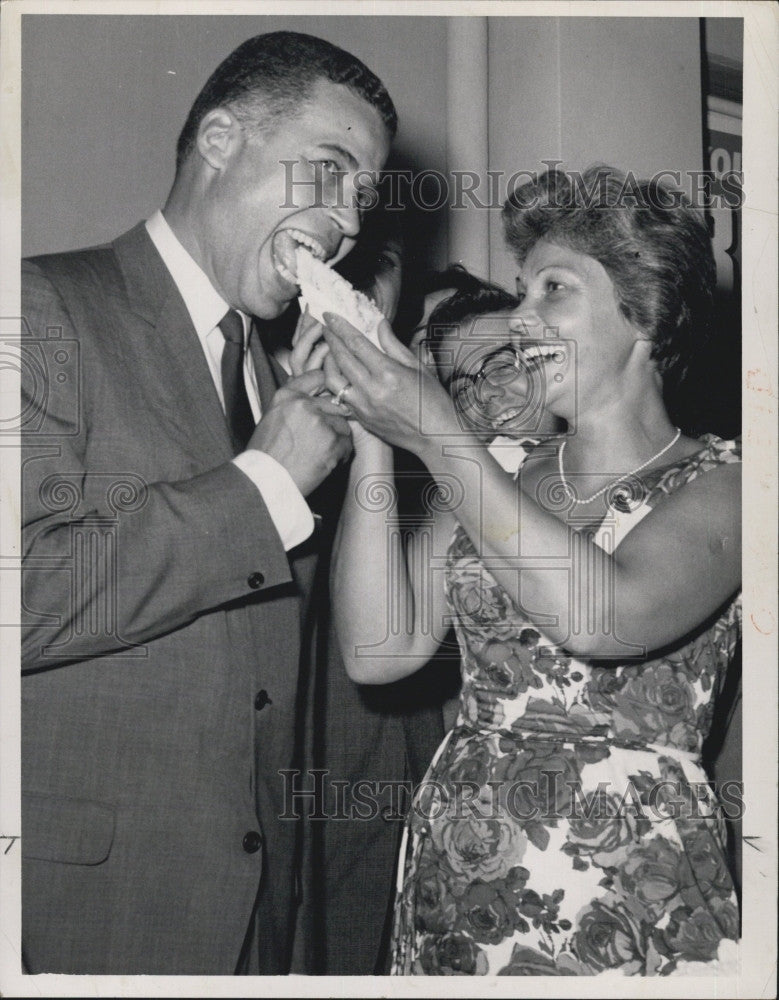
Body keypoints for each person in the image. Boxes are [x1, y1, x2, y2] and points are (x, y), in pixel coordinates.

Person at [20, 31, 395, 975]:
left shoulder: (277, 384)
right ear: (220, 138)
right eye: (331, 172)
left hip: (258, 931)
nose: (348, 222)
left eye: (363, 197)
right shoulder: (40, 306)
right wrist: (266, 482)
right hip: (76, 915)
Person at [319, 165, 741, 975]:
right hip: (462, 856)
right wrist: (374, 431)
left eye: (553, 288)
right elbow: (377, 649)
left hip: (624, 880)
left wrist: (438, 432)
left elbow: (600, 617)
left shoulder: (729, 486)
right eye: (521, 291)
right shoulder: (498, 468)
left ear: (643, 309)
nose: (519, 318)